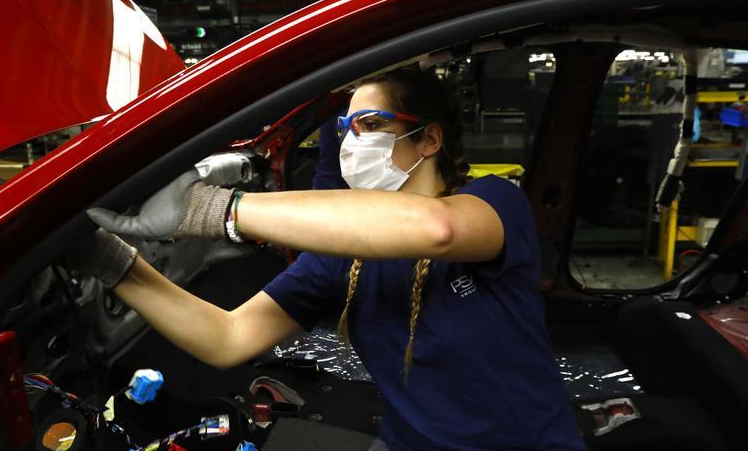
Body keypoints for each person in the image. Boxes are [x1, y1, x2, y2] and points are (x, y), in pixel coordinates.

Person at [78, 68, 585, 450]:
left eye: (369, 124)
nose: (350, 142)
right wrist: (113, 264)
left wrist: (216, 209)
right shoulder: (341, 258)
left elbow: (436, 229)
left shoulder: (495, 203)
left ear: (430, 138)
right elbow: (227, 337)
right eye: (345, 128)